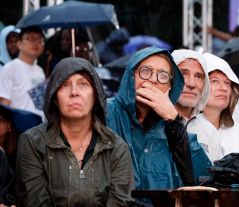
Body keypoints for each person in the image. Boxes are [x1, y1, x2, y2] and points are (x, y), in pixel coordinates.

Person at [16, 57, 135, 206]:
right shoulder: (32, 142)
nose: (74, 92)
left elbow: (120, 203)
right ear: (54, 97)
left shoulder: (116, 147)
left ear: (96, 95)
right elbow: (34, 201)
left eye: (83, 84)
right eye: (64, 84)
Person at [107, 47, 211, 190]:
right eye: (145, 71)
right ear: (132, 76)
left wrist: (174, 120)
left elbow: (204, 179)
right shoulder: (106, 112)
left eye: (162, 76)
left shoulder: (172, 127)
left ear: (170, 86)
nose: (153, 80)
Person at [186, 53, 239, 162]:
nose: (224, 88)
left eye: (227, 83)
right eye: (215, 81)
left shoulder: (237, 130)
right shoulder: (188, 128)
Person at [0, 26, 45, 118]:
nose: (36, 43)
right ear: (19, 43)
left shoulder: (40, 71)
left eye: (40, 39)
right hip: (19, 128)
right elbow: (4, 104)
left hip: (39, 128)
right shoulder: (10, 68)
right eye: (30, 38)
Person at [171, 49, 210, 121]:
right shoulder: (150, 125)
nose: (191, 84)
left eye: (198, 76)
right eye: (183, 74)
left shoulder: (208, 131)